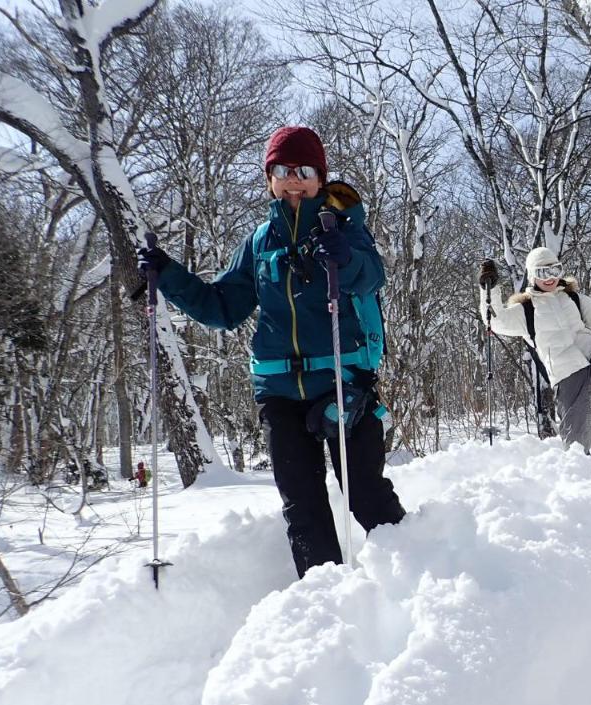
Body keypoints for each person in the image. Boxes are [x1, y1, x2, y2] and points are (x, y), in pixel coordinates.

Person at [137, 125, 405, 578]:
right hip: (279, 390)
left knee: (365, 494)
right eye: (281, 170)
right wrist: (170, 275)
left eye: (303, 170)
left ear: (320, 177)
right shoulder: (261, 242)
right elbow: (222, 308)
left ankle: (415, 573)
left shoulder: (343, 225)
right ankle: (325, 596)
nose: (292, 178)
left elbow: (371, 276)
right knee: (302, 506)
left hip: (344, 380)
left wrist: (345, 257)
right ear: (269, 179)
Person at [478, 247, 591, 452]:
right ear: (532, 276)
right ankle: (580, 469)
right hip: (565, 368)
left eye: (554, 271)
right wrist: (491, 289)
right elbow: (494, 321)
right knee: (576, 438)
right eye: (542, 273)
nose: (550, 278)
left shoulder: (574, 299)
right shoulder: (525, 310)